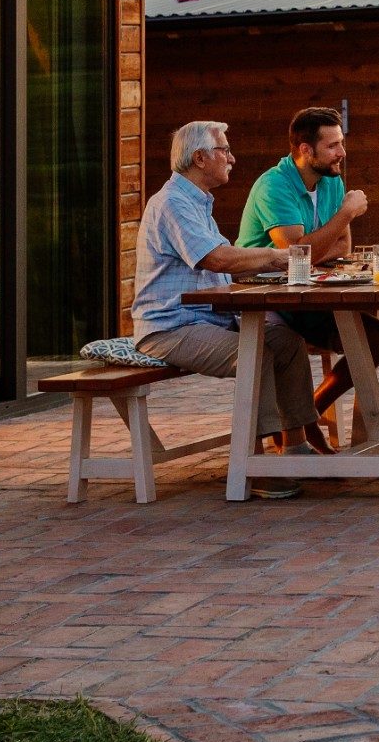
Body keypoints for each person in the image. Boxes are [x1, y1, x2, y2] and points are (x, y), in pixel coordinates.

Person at [133, 119, 331, 491]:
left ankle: (296, 447)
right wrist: (274, 259)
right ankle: (254, 465)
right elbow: (217, 259)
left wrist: (269, 266)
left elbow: (224, 264)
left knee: (285, 342)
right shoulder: (173, 203)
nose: (232, 158)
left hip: (207, 320)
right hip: (168, 328)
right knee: (255, 353)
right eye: (223, 150)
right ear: (199, 158)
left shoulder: (196, 202)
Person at [238, 107, 379, 431]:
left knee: (378, 338)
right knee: (369, 338)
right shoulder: (274, 186)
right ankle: (299, 427)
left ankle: (309, 413)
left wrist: (314, 247)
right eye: (333, 145)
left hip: (307, 295)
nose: (342, 152)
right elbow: (296, 259)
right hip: (266, 299)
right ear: (305, 150)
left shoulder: (329, 179)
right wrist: (346, 214)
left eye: (341, 142)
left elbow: (342, 247)